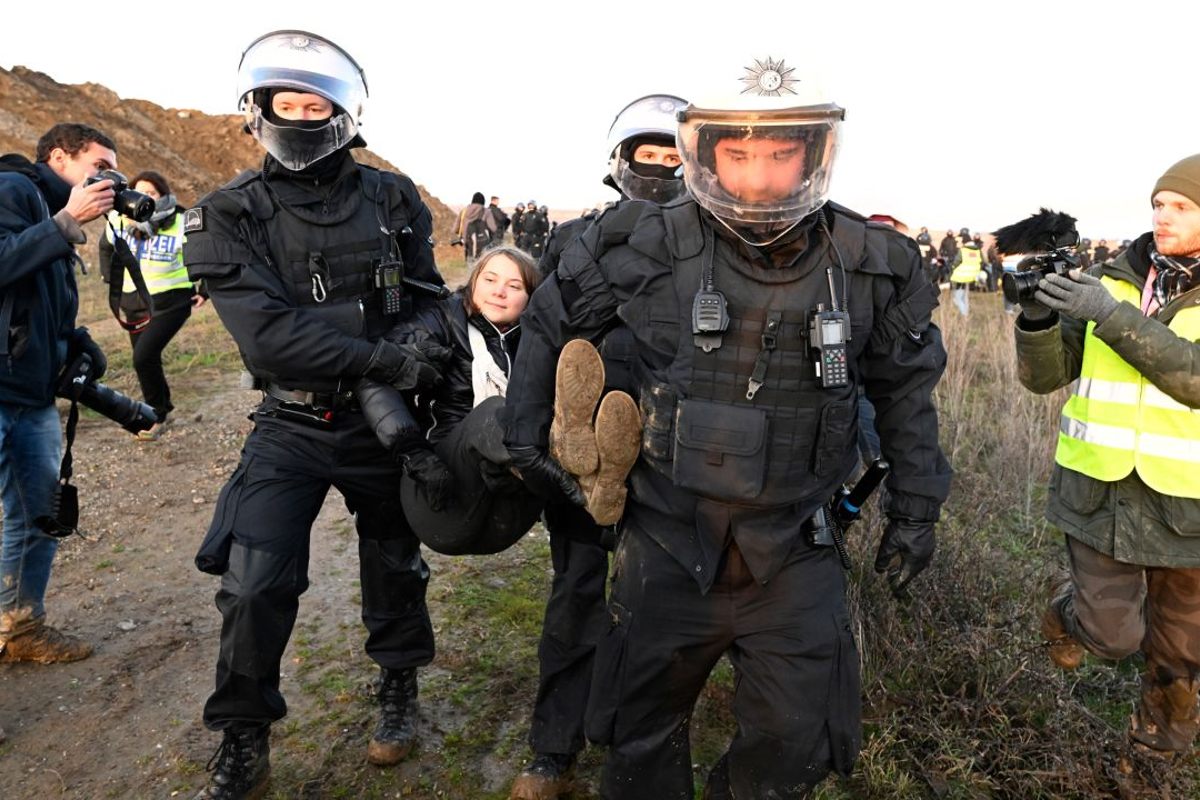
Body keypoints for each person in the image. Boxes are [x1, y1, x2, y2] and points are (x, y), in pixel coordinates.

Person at [501, 57, 951, 799]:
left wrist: (917, 507)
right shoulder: (640, 245)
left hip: (795, 545)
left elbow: (906, 393)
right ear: (705, 156)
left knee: (794, 744)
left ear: (814, 155)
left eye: (781, 155)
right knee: (639, 735)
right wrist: (529, 442)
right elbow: (550, 319)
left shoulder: (873, 263)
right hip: (667, 538)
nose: (760, 177)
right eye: (738, 155)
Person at [181, 31, 450, 800]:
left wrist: (421, 345)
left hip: (385, 423)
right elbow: (268, 333)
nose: (300, 117)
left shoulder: (393, 197)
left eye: (315, 103)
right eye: (285, 103)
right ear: (259, 108)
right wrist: (379, 359)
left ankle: (398, 688)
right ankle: (242, 736)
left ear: (344, 112)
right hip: (292, 425)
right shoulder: (228, 212)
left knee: (397, 563)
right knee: (255, 583)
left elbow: (427, 296)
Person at [509, 93, 688, 800]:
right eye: (650, 154)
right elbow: (544, 333)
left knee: (661, 609)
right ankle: (552, 745)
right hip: (587, 454)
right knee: (578, 593)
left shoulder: (724, 242)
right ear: (621, 163)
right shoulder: (579, 238)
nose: (662, 168)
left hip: (678, 450)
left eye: (677, 156)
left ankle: (633, 744)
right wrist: (528, 438)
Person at [1019, 153, 1200, 760]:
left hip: (1191, 513)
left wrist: (1110, 315)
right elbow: (1045, 379)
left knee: (1181, 656)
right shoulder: (1114, 277)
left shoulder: (1111, 299)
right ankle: (1069, 614)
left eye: (1181, 206)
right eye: (1158, 203)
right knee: (1115, 636)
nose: (1163, 216)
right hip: (1100, 494)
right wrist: (1039, 319)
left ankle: (1153, 759)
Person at [0, 123, 117, 664]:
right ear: (57, 157)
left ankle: (20, 627)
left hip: (29, 394)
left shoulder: (51, 216)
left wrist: (77, 339)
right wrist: (67, 221)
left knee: (38, 515)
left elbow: (39, 302)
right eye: (99, 166)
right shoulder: (13, 188)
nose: (109, 179)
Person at [357, 246, 546, 556]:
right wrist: (415, 455)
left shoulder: (537, 340)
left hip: (505, 515)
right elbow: (372, 378)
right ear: (473, 284)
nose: (499, 292)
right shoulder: (442, 320)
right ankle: (545, 471)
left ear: (530, 298)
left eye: (514, 286)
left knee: (543, 411)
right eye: (490, 280)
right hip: (441, 501)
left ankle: (580, 487)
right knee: (497, 412)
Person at [99, 170, 205, 440]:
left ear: (163, 196)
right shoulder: (118, 218)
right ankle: (161, 408)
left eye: (151, 193)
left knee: (142, 356)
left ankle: (156, 415)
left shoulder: (181, 220)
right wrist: (109, 277)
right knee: (147, 359)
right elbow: (105, 246)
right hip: (131, 301)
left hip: (172, 300)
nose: (144, 197)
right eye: (139, 191)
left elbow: (204, 255)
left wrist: (206, 289)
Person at [949, 227, 983, 316]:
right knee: (965, 296)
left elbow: (956, 262)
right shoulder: (978, 250)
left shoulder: (963, 250)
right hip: (972, 276)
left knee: (957, 298)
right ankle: (966, 313)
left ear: (964, 242)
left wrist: (952, 267)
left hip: (961, 276)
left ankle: (964, 314)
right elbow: (982, 261)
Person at [454, 191, 491, 263]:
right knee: (481, 260)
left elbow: (456, 228)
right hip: (482, 241)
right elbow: (492, 227)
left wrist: (462, 236)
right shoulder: (485, 211)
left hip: (467, 240)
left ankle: (470, 271)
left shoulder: (464, 211)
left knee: (470, 258)